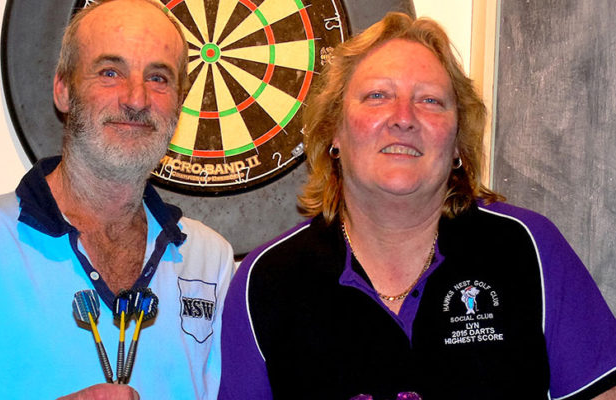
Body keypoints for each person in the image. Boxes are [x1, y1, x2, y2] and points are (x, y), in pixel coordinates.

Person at [218, 12, 616, 400]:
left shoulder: (528, 249)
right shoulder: (266, 280)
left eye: (430, 100)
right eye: (378, 96)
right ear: (334, 131)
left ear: (458, 142)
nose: (404, 118)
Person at [0, 0, 235, 398]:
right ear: (63, 90)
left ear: (179, 103)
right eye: (110, 72)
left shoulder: (210, 259)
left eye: (158, 78)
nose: (136, 99)